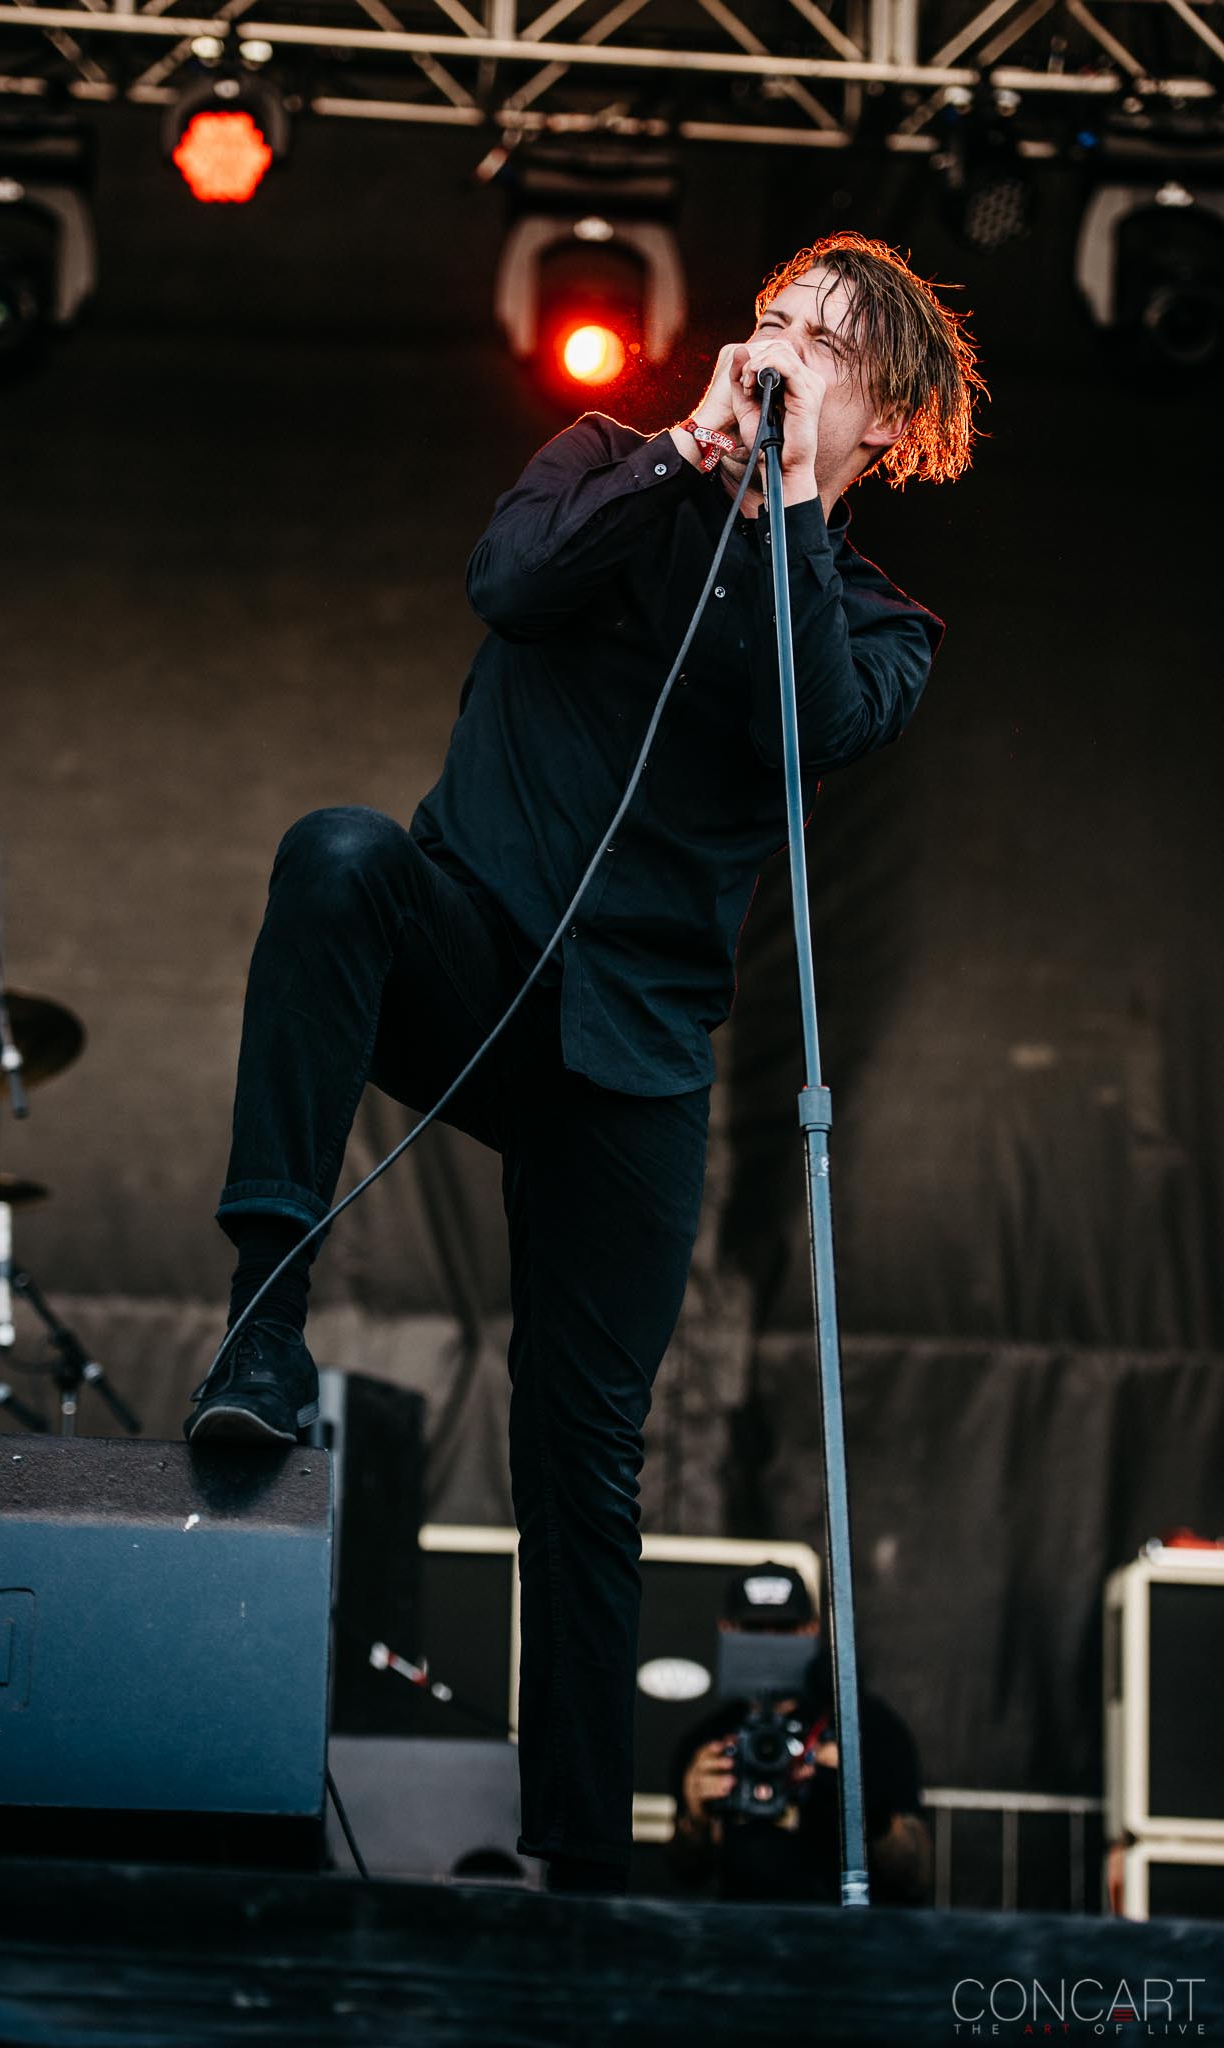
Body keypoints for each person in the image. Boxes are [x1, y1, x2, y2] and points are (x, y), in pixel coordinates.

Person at [183, 231, 984, 1895]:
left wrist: (774, 519)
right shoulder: (601, 463)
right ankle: (261, 1329)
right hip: (472, 957)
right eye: (767, 319)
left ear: (888, 423)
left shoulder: (877, 621)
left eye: (821, 344)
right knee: (334, 854)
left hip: (633, 1054)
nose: (775, 349)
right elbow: (508, 585)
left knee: (581, 1450)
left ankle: (576, 1859)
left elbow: (808, 728)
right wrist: (690, 456)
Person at [669, 1564, 932, 1903]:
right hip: (748, 1936)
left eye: (784, 1628)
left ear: (811, 1630)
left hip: (845, 1936)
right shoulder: (709, 1741)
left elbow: (918, 1872)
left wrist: (865, 1803)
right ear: (727, 1629)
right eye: (752, 1629)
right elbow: (684, 1872)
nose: (768, 1642)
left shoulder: (868, 1728)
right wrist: (696, 1818)